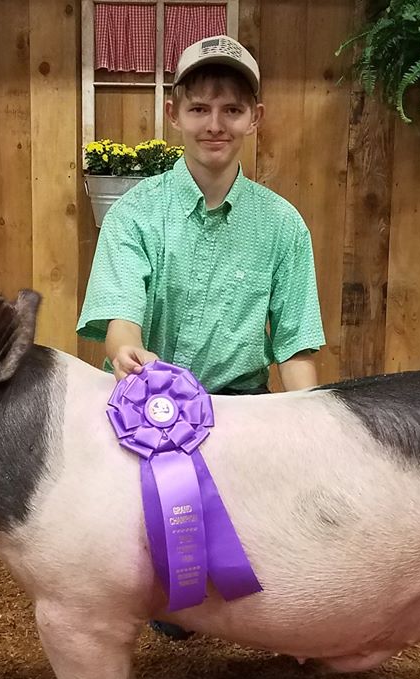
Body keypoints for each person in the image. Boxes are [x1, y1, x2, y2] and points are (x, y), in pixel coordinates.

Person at [77, 35, 326, 638]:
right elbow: (120, 320)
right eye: (199, 109)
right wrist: (124, 351)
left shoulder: (282, 224)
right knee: (157, 599)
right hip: (149, 418)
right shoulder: (134, 215)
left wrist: (314, 424)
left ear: (254, 120)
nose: (215, 124)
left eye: (232, 110)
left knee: (284, 565)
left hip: (246, 415)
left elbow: (295, 345)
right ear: (174, 115)